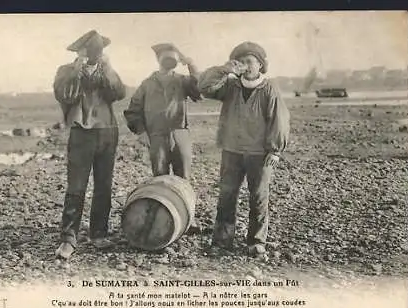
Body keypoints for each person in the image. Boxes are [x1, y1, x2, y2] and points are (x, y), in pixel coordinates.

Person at [198, 42, 290, 256]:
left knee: (258, 196)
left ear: (260, 64)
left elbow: (280, 120)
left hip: (259, 154)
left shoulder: (269, 89)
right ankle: (222, 241)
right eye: (241, 62)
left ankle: (256, 241)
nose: (246, 66)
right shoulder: (230, 86)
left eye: (250, 62)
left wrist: (275, 150)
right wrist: (224, 70)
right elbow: (204, 88)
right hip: (232, 150)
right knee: (227, 195)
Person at [53, 30, 126, 259]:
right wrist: (77, 71)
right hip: (80, 133)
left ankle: (99, 234)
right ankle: (68, 238)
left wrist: (109, 69)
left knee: (103, 185)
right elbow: (64, 94)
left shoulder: (107, 72)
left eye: (99, 50)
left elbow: (119, 93)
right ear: (80, 51)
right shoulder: (66, 71)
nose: (95, 54)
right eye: (91, 50)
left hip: (106, 131)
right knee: (76, 187)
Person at [123, 43, 201, 181]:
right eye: (165, 57)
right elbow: (133, 111)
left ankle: (183, 203)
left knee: (183, 178)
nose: (169, 61)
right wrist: (141, 132)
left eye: (173, 57)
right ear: (158, 59)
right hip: (156, 136)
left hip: (180, 134)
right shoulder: (147, 84)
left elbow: (199, 91)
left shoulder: (182, 81)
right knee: (159, 178)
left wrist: (191, 65)